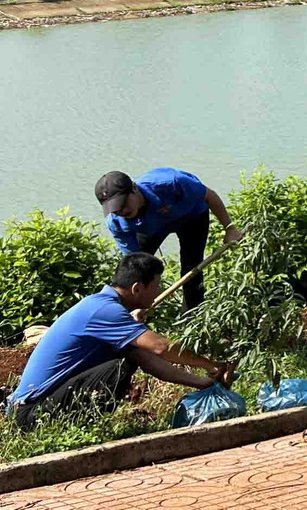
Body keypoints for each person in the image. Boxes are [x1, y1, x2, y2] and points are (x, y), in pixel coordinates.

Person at [6, 253, 235, 432]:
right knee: (122, 363)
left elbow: (149, 360)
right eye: (156, 286)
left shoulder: (103, 307)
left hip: (32, 409)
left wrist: (203, 382)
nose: (158, 293)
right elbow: (160, 347)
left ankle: (82, 424)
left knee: (131, 351)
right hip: (30, 414)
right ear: (137, 288)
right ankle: (84, 427)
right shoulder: (106, 311)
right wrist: (211, 363)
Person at [95, 169, 245, 313]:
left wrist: (230, 228)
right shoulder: (116, 221)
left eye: (123, 204)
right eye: (115, 209)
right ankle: (136, 317)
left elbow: (209, 196)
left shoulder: (172, 183)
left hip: (191, 216)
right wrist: (152, 289)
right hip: (150, 227)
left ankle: (191, 318)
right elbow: (134, 261)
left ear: (134, 188)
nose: (122, 211)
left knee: (191, 268)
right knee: (136, 273)